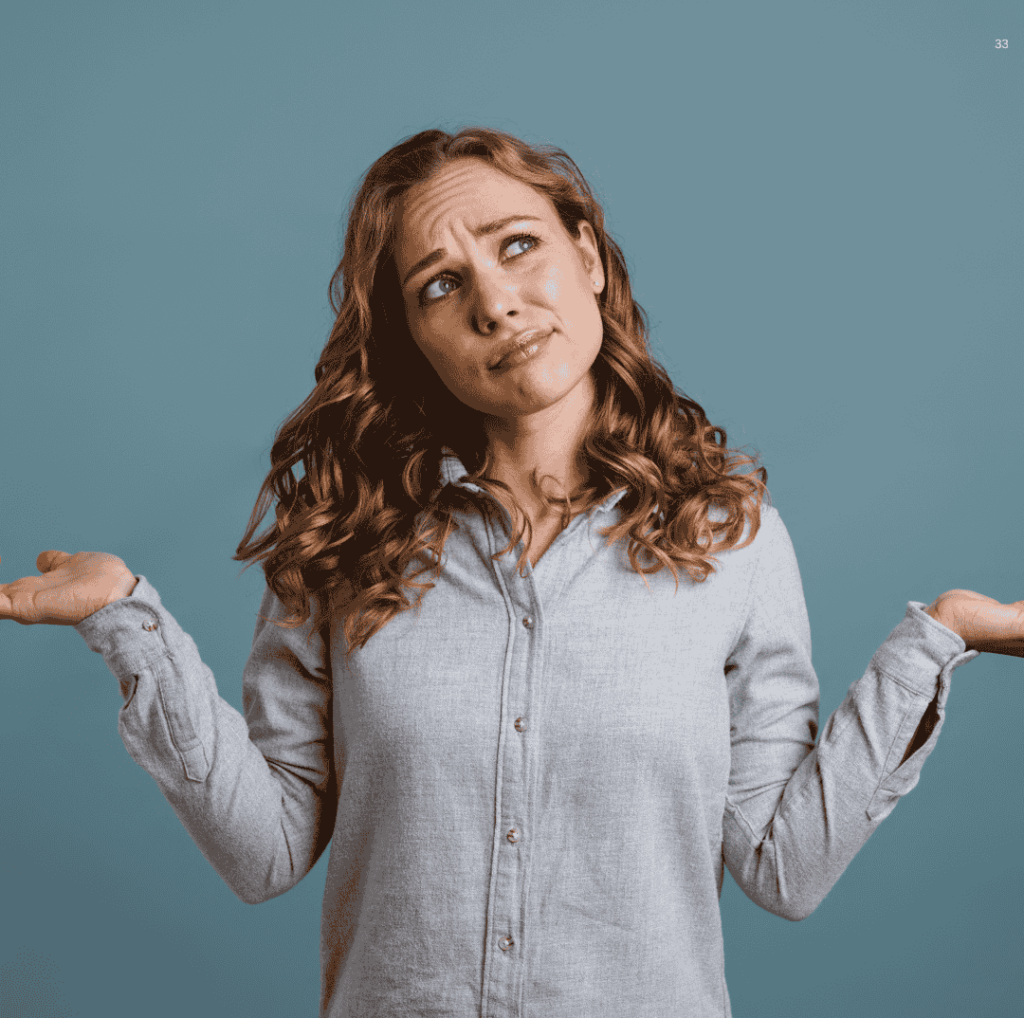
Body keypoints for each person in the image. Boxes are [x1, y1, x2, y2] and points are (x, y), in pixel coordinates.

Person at [1, 127, 1020, 1017]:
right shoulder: (343, 545)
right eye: (440, 286)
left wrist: (935, 643)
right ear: (413, 338)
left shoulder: (729, 539)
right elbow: (264, 851)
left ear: (587, 254)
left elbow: (783, 867)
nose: (495, 302)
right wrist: (129, 621)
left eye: (517, 246)